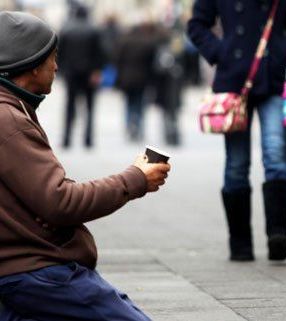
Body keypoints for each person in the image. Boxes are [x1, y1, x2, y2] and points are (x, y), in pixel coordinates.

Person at [0, 11, 170, 320]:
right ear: (33, 64)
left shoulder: (14, 109)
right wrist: (135, 179)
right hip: (37, 273)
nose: (56, 66)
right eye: (53, 57)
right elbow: (60, 201)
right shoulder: (9, 120)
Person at [188, 0, 286, 261]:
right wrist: (221, 52)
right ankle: (240, 242)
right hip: (233, 81)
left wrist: (283, 50)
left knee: (276, 152)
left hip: (273, 78)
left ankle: (278, 234)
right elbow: (197, 25)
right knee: (236, 162)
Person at [58, 5, 105, 148]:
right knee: (90, 108)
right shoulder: (94, 30)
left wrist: (62, 71)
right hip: (89, 74)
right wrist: (97, 71)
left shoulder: (66, 30)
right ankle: (88, 139)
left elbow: (59, 54)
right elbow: (100, 54)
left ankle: (67, 138)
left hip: (71, 74)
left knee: (69, 106)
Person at [115, 21, 165, 142]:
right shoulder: (147, 43)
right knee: (140, 104)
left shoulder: (124, 43)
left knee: (128, 103)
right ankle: (139, 127)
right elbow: (152, 63)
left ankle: (129, 126)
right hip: (142, 79)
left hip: (126, 79)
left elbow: (117, 60)